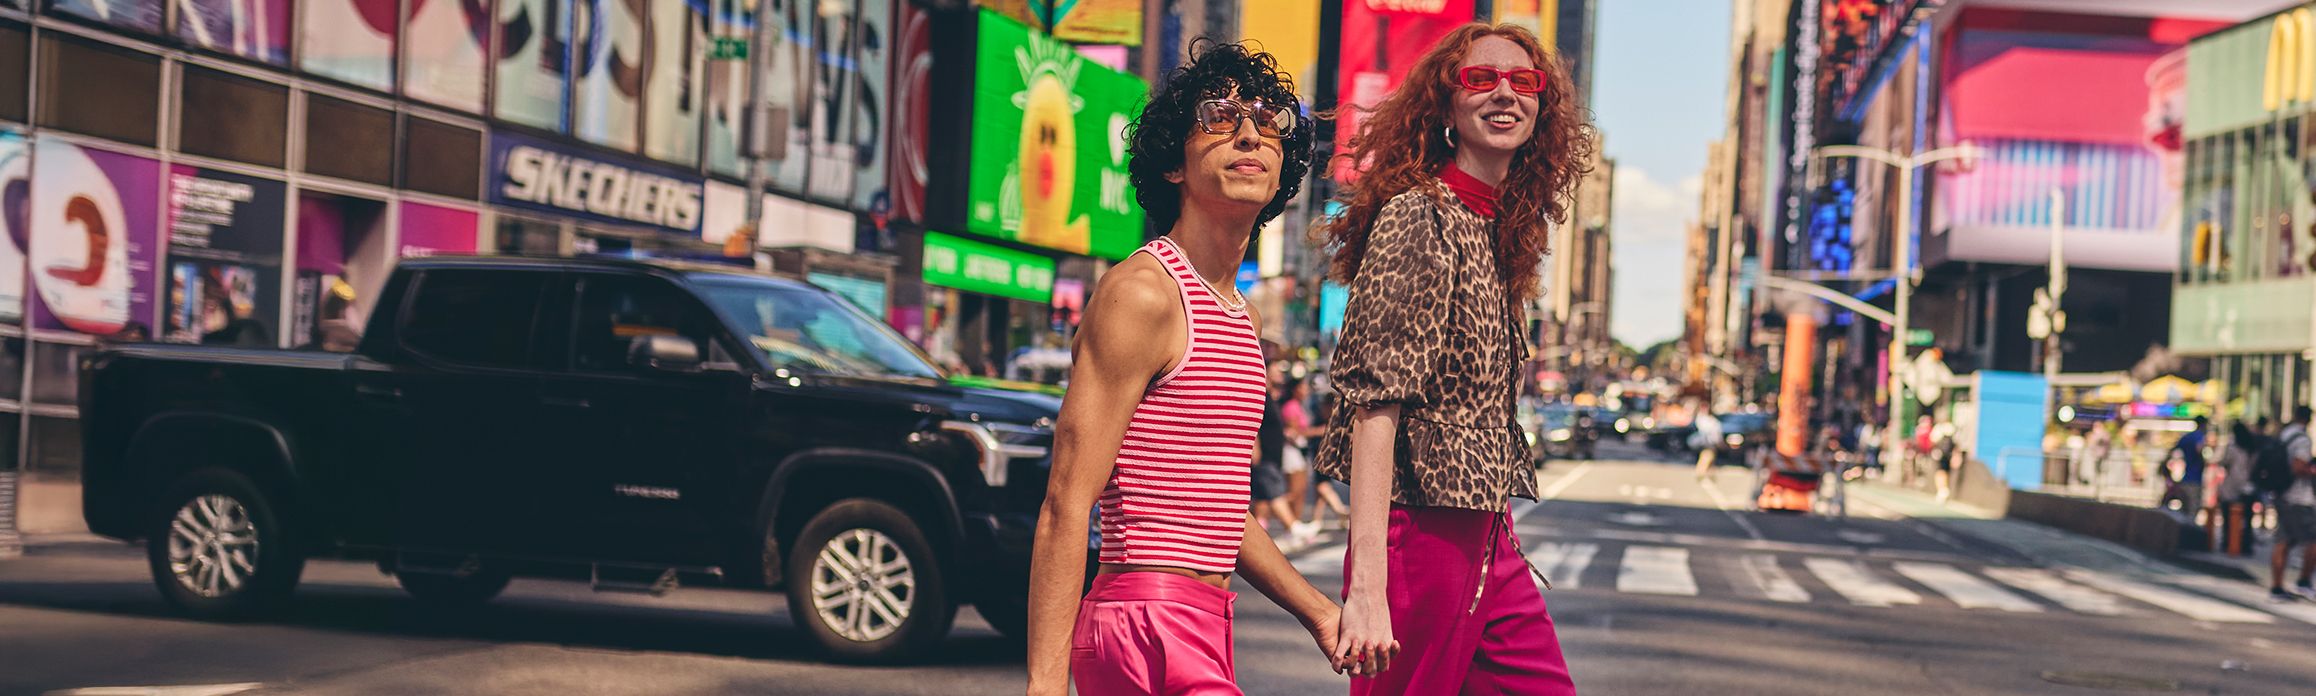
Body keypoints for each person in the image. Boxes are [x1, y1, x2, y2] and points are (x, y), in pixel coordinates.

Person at [1024, 42, 1341, 695]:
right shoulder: (1143, 294)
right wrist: (1045, 684)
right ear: (1174, 161)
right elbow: (1066, 500)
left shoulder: (1237, 315)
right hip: (1144, 623)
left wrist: (1318, 612)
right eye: (1220, 118)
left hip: (1206, 622)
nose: (1250, 134)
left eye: (1267, 122)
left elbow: (1221, 512)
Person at [1313, 21, 1589, 693]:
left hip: (1488, 534)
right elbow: (1376, 405)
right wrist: (1369, 584)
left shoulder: (1497, 232)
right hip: (1419, 537)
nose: (1505, 94)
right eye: (1480, 78)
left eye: (1524, 82)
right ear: (1445, 104)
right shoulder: (1420, 217)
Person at [2269, 406, 2315, 602]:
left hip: (2281, 494)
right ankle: (2304, 582)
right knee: (2313, 540)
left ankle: (2277, 587)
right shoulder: (2302, 440)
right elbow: (2298, 467)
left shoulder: (2284, 435)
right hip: (2298, 498)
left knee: (2284, 540)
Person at [2169, 416, 2211, 520]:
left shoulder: (2186, 437)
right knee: (2193, 510)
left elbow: (2173, 450)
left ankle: (2181, 533)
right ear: (2204, 425)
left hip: (2184, 479)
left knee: (2184, 511)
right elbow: (2199, 449)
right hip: (2195, 480)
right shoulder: (2200, 437)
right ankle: (2188, 534)